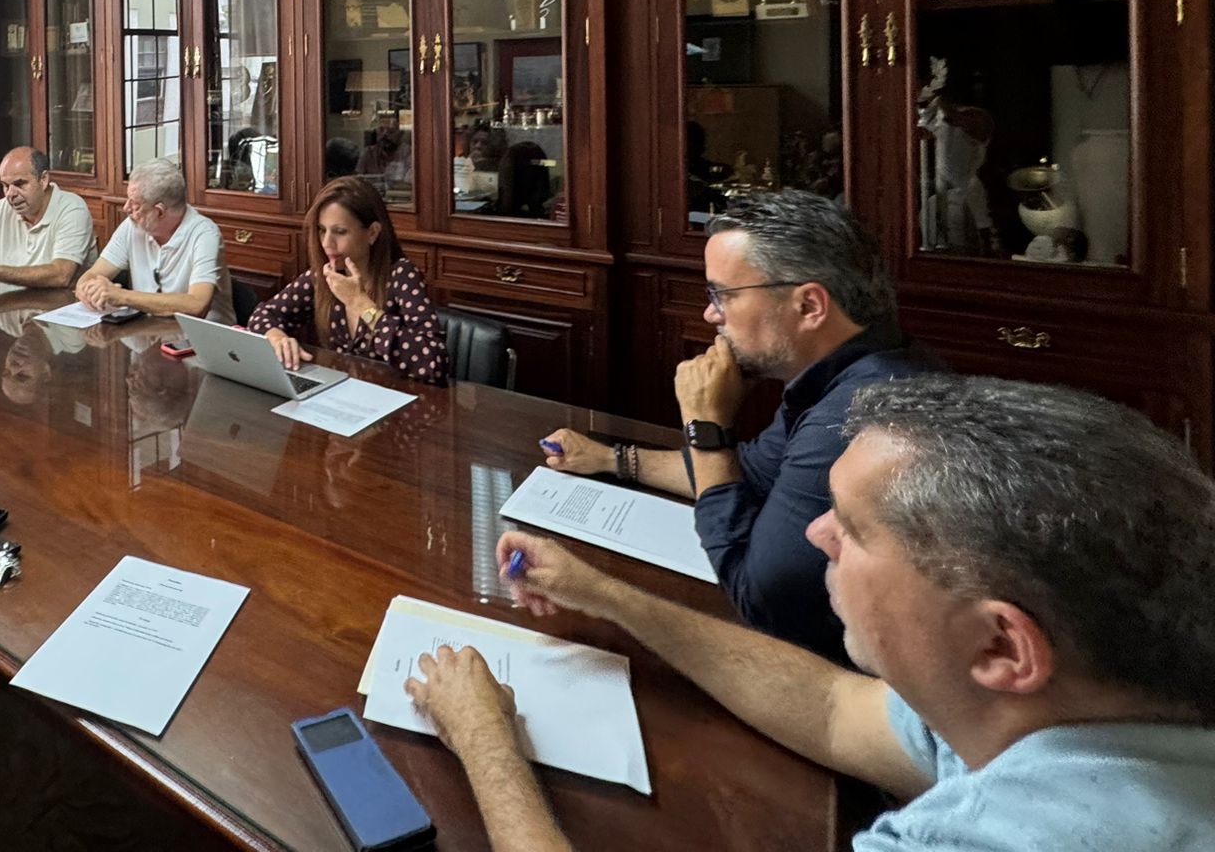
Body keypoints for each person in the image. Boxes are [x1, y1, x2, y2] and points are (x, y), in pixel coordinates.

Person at [404, 375, 1215, 851]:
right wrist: (608, 596)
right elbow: (836, 710)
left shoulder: (989, 837)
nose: (815, 534)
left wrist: (483, 738)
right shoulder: (1062, 715)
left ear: (1001, 644)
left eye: (855, 530)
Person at [541, 190, 939, 659]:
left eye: (723, 295)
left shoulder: (862, 411)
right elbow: (750, 472)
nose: (711, 314)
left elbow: (760, 598)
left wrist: (705, 426)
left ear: (810, 305)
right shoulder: (854, 369)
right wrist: (612, 459)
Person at [246, 176, 449, 386]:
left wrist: (360, 303)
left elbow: (434, 362)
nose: (326, 243)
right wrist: (277, 337)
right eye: (322, 230)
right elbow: (263, 315)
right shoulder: (325, 275)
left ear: (372, 232)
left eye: (340, 232)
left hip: (395, 401)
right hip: (338, 395)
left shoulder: (401, 275)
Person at [75, 158, 234, 323]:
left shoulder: (204, 234)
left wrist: (123, 296)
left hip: (201, 338)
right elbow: (93, 274)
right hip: (148, 330)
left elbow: (197, 305)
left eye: (135, 203)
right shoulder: (132, 225)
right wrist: (87, 289)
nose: (126, 208)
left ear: (159, 211)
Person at [0, 146, 96, 288]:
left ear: (43, 180)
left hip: (56, 309)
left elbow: (61, 275)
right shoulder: (3, 208)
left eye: (19, 184)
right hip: (11, 306)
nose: (11, 194)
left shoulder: (72, 209)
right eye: (5, 185)